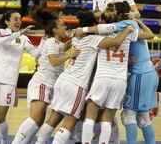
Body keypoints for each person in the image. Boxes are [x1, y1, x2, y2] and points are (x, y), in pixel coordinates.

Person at [36, 10, 135, 144]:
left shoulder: (75, 36)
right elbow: (116, 42)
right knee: (69, 123)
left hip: (63, 80)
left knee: (54, 118)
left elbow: (69, 43)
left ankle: (39, 142)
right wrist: (128, 28)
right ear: (94, 24)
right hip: (76, 84)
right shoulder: (94, 39)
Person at [78, 2, 156, 144]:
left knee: (91, 117)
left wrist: (83, 29)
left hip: (107, 76)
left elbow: (109, 35)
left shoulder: (99, 34)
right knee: (110, 120)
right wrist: (135, 23)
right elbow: (150, 35)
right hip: (121, 80)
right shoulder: (129, 31)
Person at [12, 8, 80, 144]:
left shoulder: (55, 42)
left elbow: (62, 47)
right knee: (35, 118)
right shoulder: (52, 43)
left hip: (49, 84)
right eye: (62, 25)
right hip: (43, 83)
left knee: (38, 120)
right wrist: (70, 55)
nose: (65, 26)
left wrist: (75, 38)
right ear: (55, 30)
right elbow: (54, 61)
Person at [0, 11, 45, 144]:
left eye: (20, 19)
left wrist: (45, 40)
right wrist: (19, 33)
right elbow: (2, 40)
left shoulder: (23, 39)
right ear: (7, 21)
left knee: (0, 117)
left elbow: (36, 53)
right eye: (15, 19)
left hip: (9, 82)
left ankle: (3, 141)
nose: (19, 21)